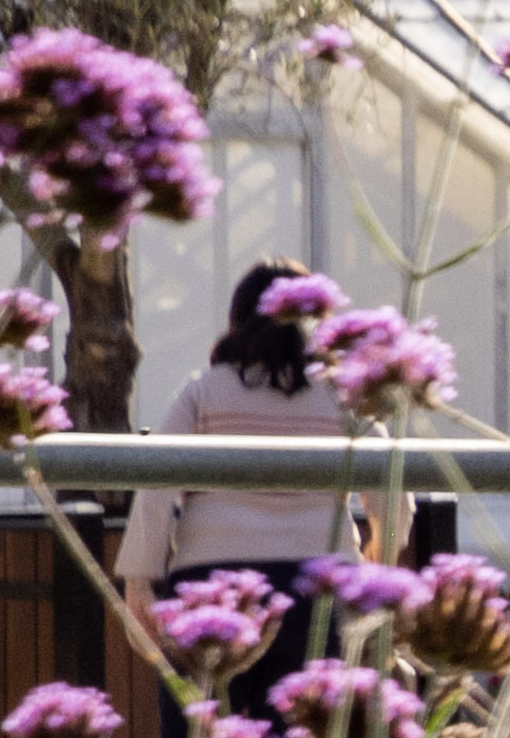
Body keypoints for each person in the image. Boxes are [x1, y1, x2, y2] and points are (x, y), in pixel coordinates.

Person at [129, 271, 359, 660]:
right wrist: (382, 550)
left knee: (203, 716)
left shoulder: (203, 390)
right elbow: (391, 483)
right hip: (320, 577)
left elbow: (157, 480)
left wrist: (140, 577)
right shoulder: (343, 394)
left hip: (213, 576)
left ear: (238, 318)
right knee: (309, 718)